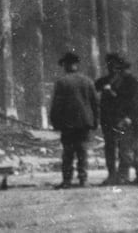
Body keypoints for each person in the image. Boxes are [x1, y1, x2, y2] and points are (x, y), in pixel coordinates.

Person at [50, 50, 98, 189]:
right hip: (84, 123)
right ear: (77, 65)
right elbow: (95, 103)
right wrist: (95, 121)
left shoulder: (61, 82)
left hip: (68, 124)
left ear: (65, 65)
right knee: (82, 151)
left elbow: (57, 105)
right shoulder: (88, 81)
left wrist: (55, 122)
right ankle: (83, 179)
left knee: (68, 152)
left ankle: (67, 180)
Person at [102, 53, 138, 185]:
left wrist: (127, 118)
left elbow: (134, 103)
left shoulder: (130, 83)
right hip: (136, 121)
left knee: (126, 150)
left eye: (120, 69)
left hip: (130, 122)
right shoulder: (132, 82)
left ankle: (123, 177)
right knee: (136, 150)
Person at [94, 54, 121, 184]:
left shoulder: (124, 82)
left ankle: (121, 175)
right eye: (110, 65)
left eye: (115, 65)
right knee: (110, 147)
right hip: (107, 119)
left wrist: (110, 92)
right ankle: (112, 174)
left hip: (120, 119)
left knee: (122, 147)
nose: (112, 68)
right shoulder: (101, 81)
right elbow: (93, 95)